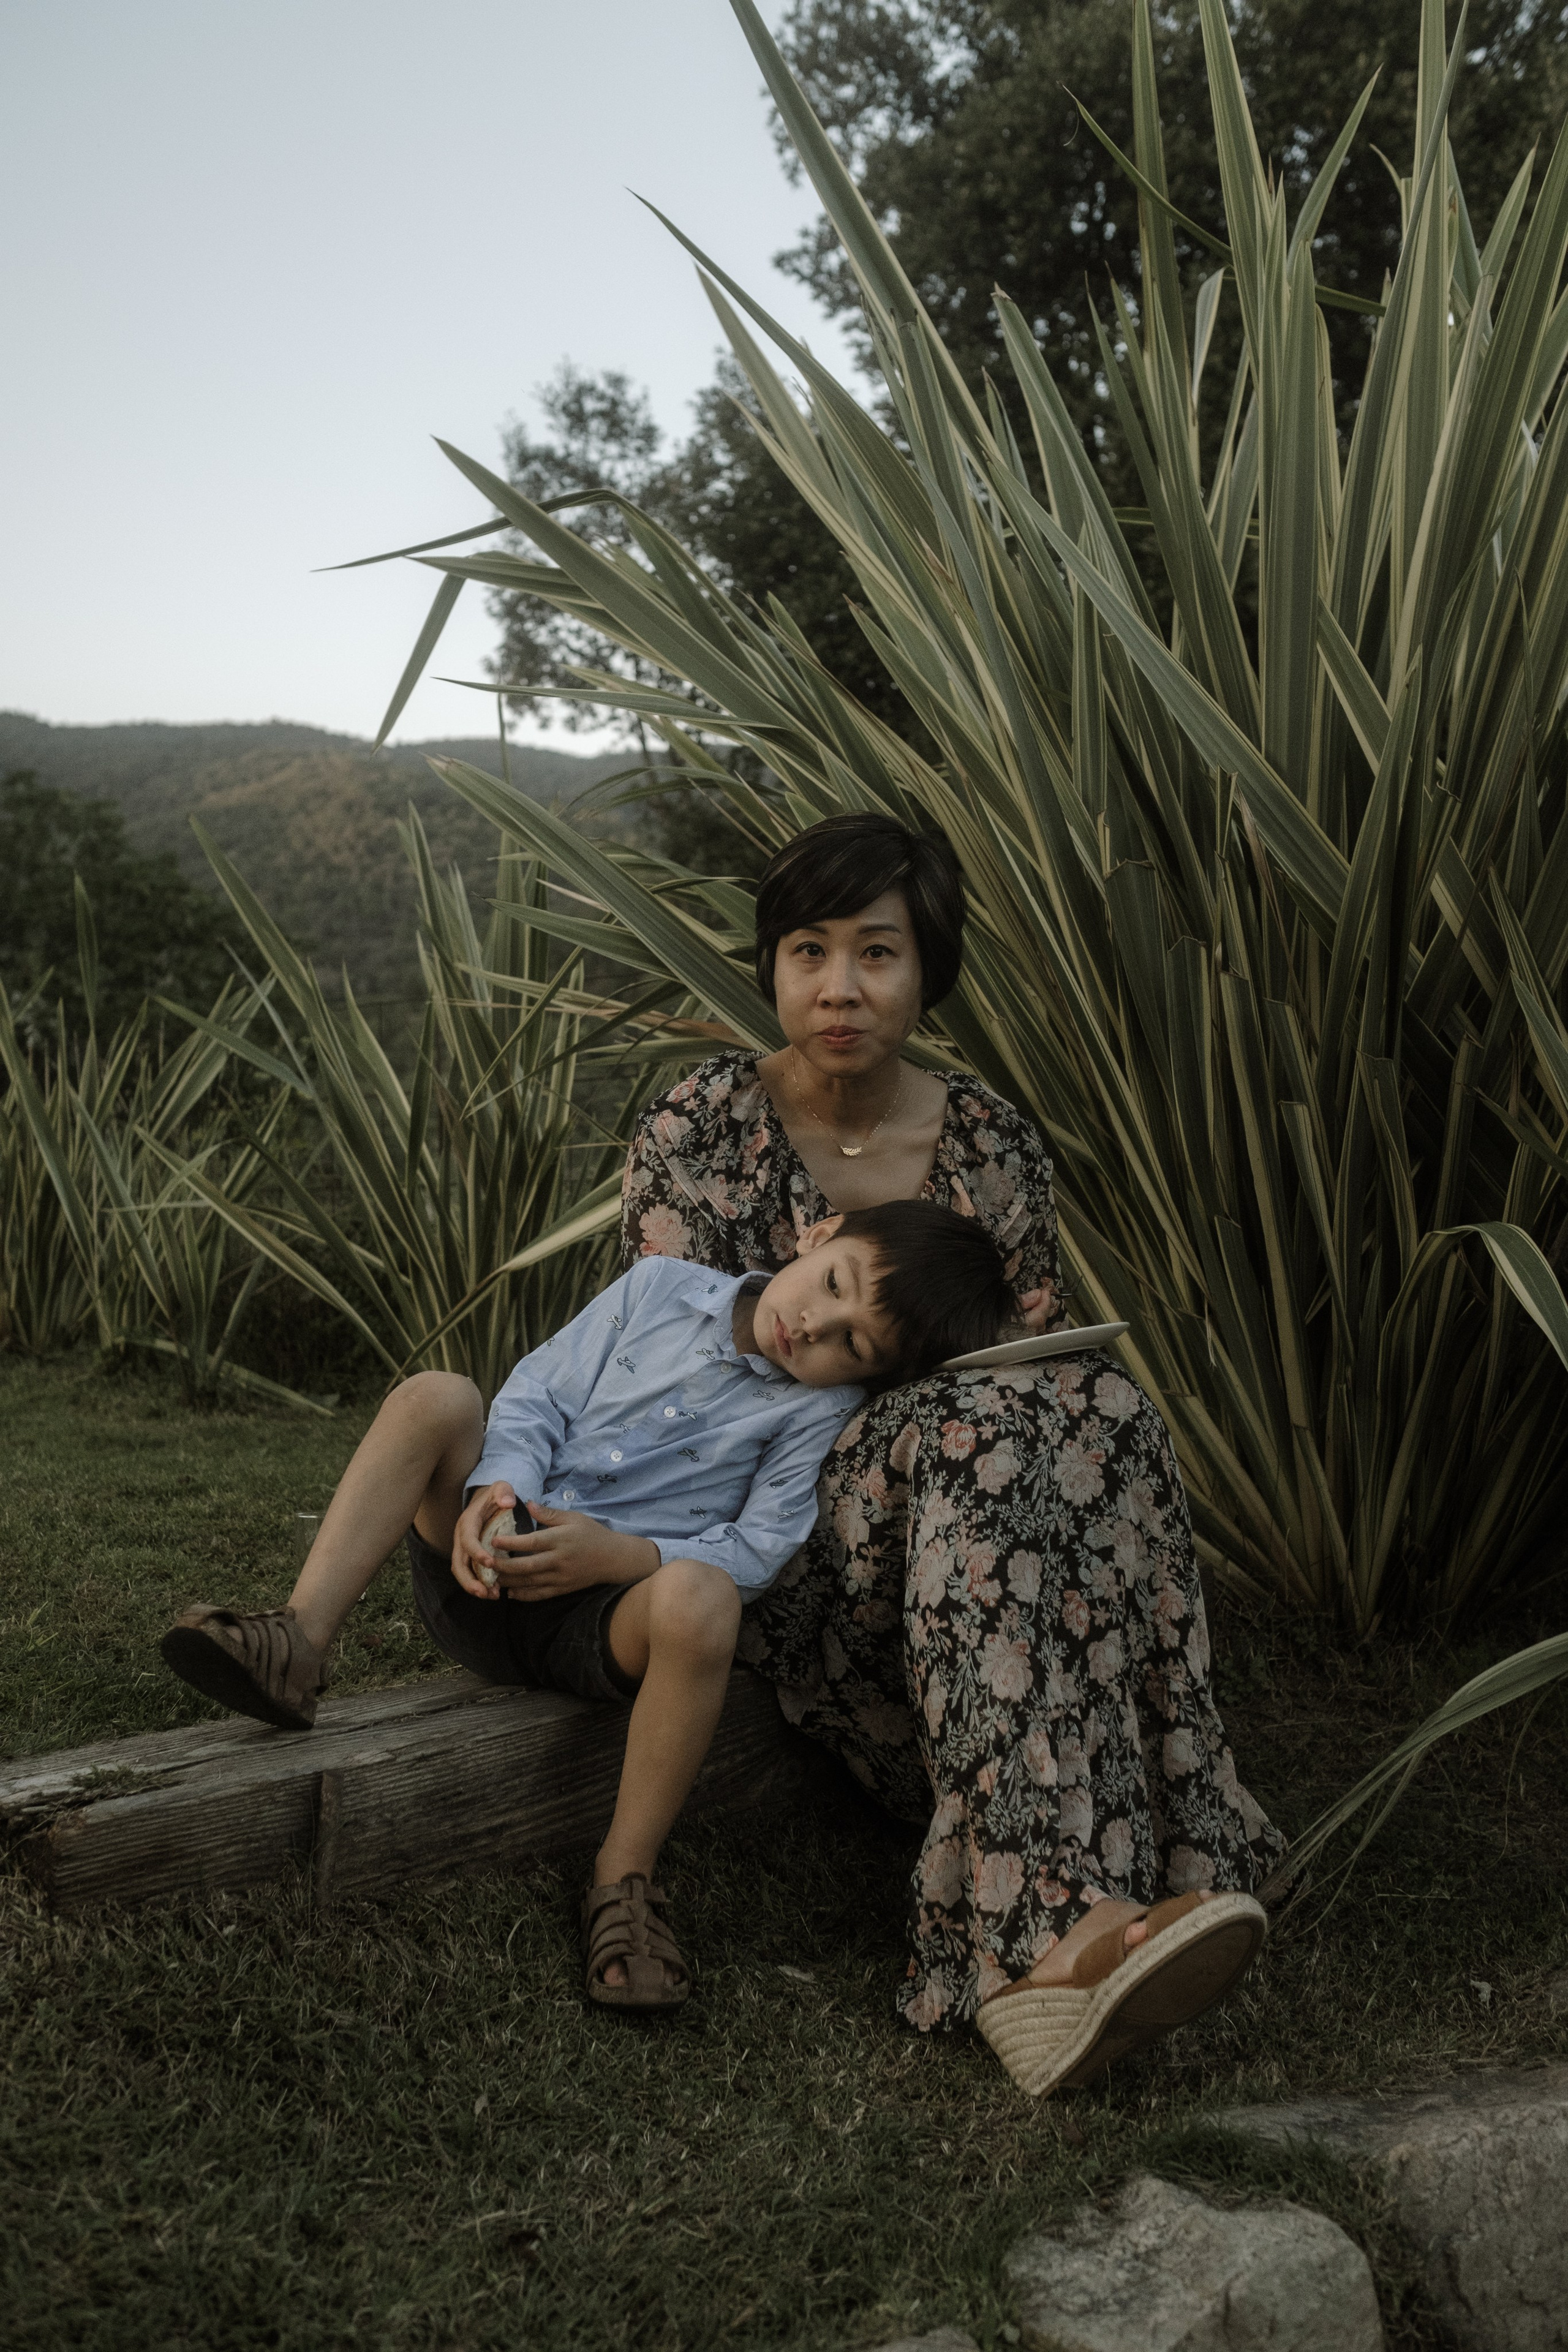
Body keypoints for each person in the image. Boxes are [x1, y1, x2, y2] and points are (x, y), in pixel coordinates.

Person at [621, 810, 1283, 2094]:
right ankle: (1043, 1939)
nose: (839, 988)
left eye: (877, 953)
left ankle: (1174, 1864)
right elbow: (673, 1386)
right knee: (981, 1434)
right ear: (770, 965)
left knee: (1102, 1408)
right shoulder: (701, 1126)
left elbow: (1018, 1372)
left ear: (927, 970)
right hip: (777, 1532)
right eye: (808, 951)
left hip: (960, 1516)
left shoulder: (989, 1145)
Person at [160, 1198, 1018, 2010]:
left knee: (705, 1599)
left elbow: (758, 1549)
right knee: (437, 1396)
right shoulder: (660, 1288)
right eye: (833, 1287)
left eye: (852, 1348)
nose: (814, 1330)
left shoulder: (812, 1413)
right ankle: (298, 1642)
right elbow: (540, 1394)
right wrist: (497, 1496)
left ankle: (625, 1879)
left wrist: (622, 1557)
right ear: (819, 1234)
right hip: (485, 1565)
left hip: (602, 1626)